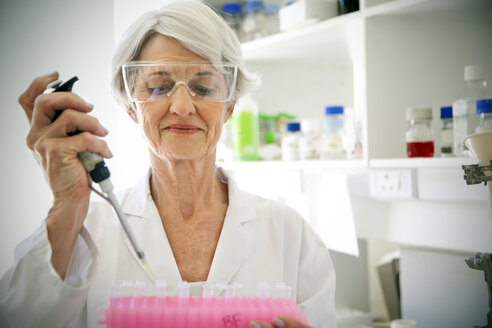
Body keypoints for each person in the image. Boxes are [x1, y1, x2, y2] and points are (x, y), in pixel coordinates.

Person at [0, 1, 336, 327]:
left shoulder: (289, 235)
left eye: (202, 88)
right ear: (132, 105)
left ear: (229, 105)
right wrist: (66, 204)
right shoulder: (86, 231)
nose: (182, 106)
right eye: (159, 87)